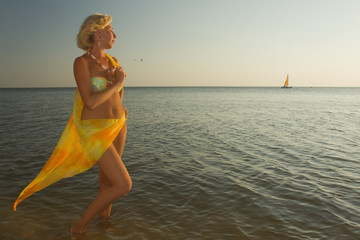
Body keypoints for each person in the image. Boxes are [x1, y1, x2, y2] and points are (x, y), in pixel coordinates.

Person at [13, 13, 131, 235]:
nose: (115, 34)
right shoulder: (82, 63)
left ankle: (104, 226)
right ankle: (79, 226)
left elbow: (114, 95)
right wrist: (118, 83)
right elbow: (91, 102)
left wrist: (120, 105)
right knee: (123, 184)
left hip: (118, 126)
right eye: (111, 29)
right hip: (95, 131)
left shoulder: (113, 62)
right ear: (97, 32)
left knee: (107, 182)